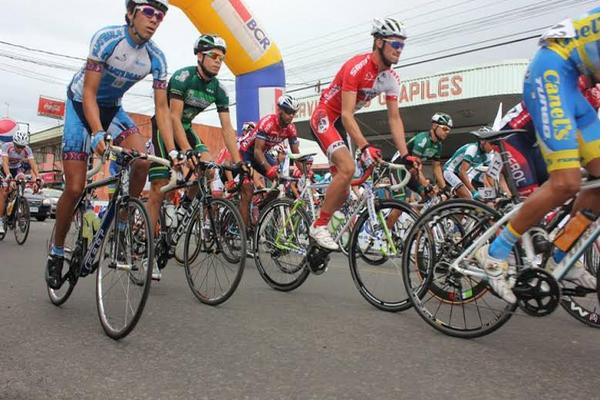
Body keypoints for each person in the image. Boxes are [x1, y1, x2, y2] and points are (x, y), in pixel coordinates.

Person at [46, 0, 177, 290]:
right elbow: (90, 92)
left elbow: (163, 110)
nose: (155, 19)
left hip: (113, 110)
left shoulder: (157, 57)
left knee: (142, 160)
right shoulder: (107, 39)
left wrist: (175, 151)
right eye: (149, 12)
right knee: (75, 187)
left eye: (161, 15)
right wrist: (96, 132)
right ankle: (56, 251)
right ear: (131, 13)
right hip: (81, 107)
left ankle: (120, 225)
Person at [476, 9, 600, 303]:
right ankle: (495, 253)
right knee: (565, 183)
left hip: (572, 84)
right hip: (551, 72)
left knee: (598, 182)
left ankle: (561, 254)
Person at [307, 18, 412, 250]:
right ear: (378, 42)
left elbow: (394, 118)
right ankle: (319, 225)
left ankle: (317, 245)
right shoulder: (356, 67)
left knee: (344, 191)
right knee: (348, 168)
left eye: (402, 46)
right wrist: (364, 146)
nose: (399, 50)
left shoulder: (391, 79)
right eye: (395, 44)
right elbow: (345, 114)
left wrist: (405, 155)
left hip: (342, 123)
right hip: (326, 116)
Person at [238, 94, 301, 228]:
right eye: (289, 112)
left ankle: (261, 208)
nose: (291, 116)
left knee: (280, 183)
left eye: (293, 113)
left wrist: (306, 170)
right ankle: (245, 231)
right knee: (247, 190)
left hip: (261, 153)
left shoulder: (291, 128)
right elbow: (256, 151)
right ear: (280, 111)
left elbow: (297, 154)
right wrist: (269, 169)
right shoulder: (268, 122)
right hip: (247, 152)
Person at [391, 112, 453, 196]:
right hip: (398, 168)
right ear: (434, 126)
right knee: (400, 201)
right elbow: (416, 165)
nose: (447, 132)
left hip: (411, 171)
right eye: (445, 129)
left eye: (449, 130)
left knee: (429, 195)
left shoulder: (438, 145)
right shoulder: (423, 139)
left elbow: (436, 167)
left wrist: (444, 187)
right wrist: (426, 184)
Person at [0, 127, 41, 234]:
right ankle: (0, 220)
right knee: (4, 191)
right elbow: (5, 163)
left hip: (16, 168)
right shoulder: (6, 146)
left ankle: (18, 201)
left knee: (22, 179)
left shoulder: (27, 149)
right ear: (14, 143)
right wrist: (8, 176)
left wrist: (38, 177)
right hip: (4, 168)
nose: (20, 149)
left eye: (22, 147)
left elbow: (33, 164)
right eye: (18, 146)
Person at [443, 134, 495, 199]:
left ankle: (455, 199)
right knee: (468, 197)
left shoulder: (489, 154)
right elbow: (462, 172)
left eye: (495, 144)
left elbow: (487, 175)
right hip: (450, 171)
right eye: (491, 144)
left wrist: (493, 191)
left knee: (478, 199)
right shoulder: (473, 148)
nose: (493, 147)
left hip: (463, 173)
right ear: (482, 142)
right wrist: (473, 192)